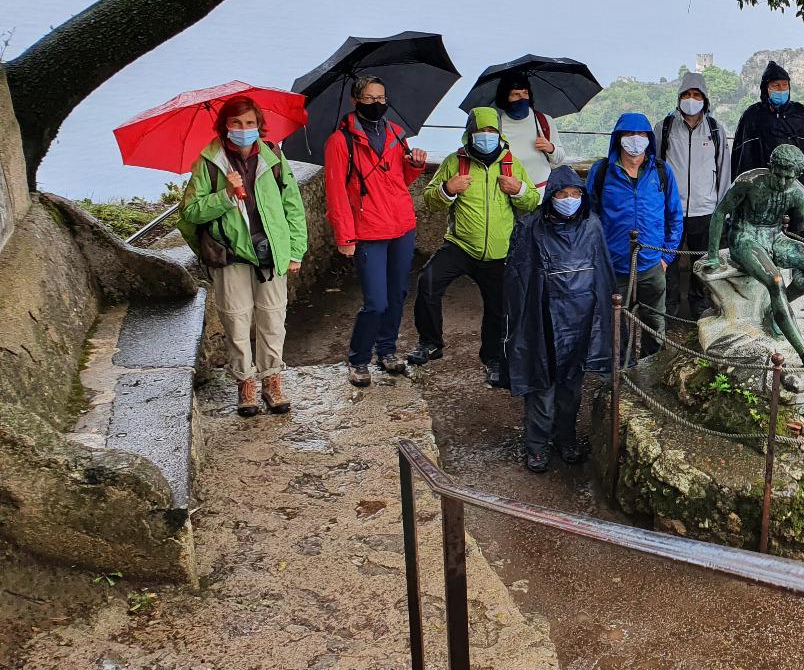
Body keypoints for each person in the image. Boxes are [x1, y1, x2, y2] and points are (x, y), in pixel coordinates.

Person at [178, 95, 308, 416]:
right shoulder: (209, 163)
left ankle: (272, 380)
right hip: (231, 256)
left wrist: (295, 250)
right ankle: (245, 383)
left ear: (259, 125)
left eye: (250, 122)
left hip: (270, 252)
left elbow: (292, 206)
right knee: (236, 321)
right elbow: (190, 213)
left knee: (273, 319)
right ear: (225, 125)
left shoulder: (273, 156)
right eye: (236, 122)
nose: (243, 128)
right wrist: (225, 195)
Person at [408, 107, 539, 383]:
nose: (486, 136)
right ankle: (430, 343)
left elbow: (531, 203)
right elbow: (430, 201)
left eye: (491, 131)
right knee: (428, 281)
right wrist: (447, 189)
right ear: (470, 133)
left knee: (498, 307)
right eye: (480, 131)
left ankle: (493, 359)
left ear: (499, 134)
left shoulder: (511, 164)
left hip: (499, 252)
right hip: (460, 245)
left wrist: (519, 190)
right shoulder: (454, 162)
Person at [503, 166, 614, 473]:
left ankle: (566, 438)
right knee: (542, 386)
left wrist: (601, 324)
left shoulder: (592, 226)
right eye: (562, 194)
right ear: (551, 196)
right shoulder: (531, 227)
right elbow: (518, 279)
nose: (569, 199)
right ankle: (537, 445)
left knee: (571, 387)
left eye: (575, 194)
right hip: (543, 320)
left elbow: (603, 277)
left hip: (580, 319)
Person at [323, 75, 428, 387]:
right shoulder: (340, 141)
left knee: (398, 294)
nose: (376, 103)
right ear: (355, 101)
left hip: (401, 225)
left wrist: (415, 165)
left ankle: (387, 350)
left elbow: (400, 179)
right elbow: (336, 193)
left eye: (381, 98)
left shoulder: (395, 133)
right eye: (369, 98)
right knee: (376, 302)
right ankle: (358, 359)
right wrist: (345, 236)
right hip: (368, 230)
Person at [704, 143, 804, 365]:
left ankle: (778, 308)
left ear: (797, 175)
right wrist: (713, 255)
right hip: (744, 237)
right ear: (770, 167)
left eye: (788, 178)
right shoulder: (748, 182)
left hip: (775, 237)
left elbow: (803, 231)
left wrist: (801, 256)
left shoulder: (800, 193)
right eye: (778, 175)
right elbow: (720, 212)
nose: (782, 182)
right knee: (776, 280)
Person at [587, 113, 684, 358]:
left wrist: (666, 257)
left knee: (655, 324)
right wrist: (597, 258)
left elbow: (674, 216)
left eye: (641, 134)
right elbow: (589, 217)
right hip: (615, 265)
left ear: (649, 139)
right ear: (618, 138)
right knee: (615, 325)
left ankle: (652, 367)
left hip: (652, 264)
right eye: (629, 133)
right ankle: (621, 370)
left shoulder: (661, 171)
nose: (635, 139)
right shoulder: (602, 172)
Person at [658, 70, 731, 318]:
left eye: (696, 95)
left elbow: (724, 170)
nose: (691, 99)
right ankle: (669, 309)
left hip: (705, 209)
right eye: (687, 94)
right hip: (672, 209)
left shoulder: (715, 129)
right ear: (679, 97)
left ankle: (700, 309)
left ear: (705, 99)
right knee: (669, 261)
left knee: (703, 261)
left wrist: (722, 209)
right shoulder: (665, 127)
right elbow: (655, 166)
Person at [731, 61, 804, 207]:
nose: (781, 89)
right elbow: (743, 159)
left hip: (795, 189)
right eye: (775, 86)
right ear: (766, 88)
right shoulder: (753, 116)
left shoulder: (801, 115)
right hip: (762, 192)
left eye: (784, 85)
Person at [493, 73, 566, 193]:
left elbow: (559, 159)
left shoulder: (544, 120)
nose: (522, 98)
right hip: (509, 194)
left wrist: (550, 148)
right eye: (516, 94)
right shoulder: (496, 125)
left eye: (525, 93)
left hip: (543, 192)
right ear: (505, 98)